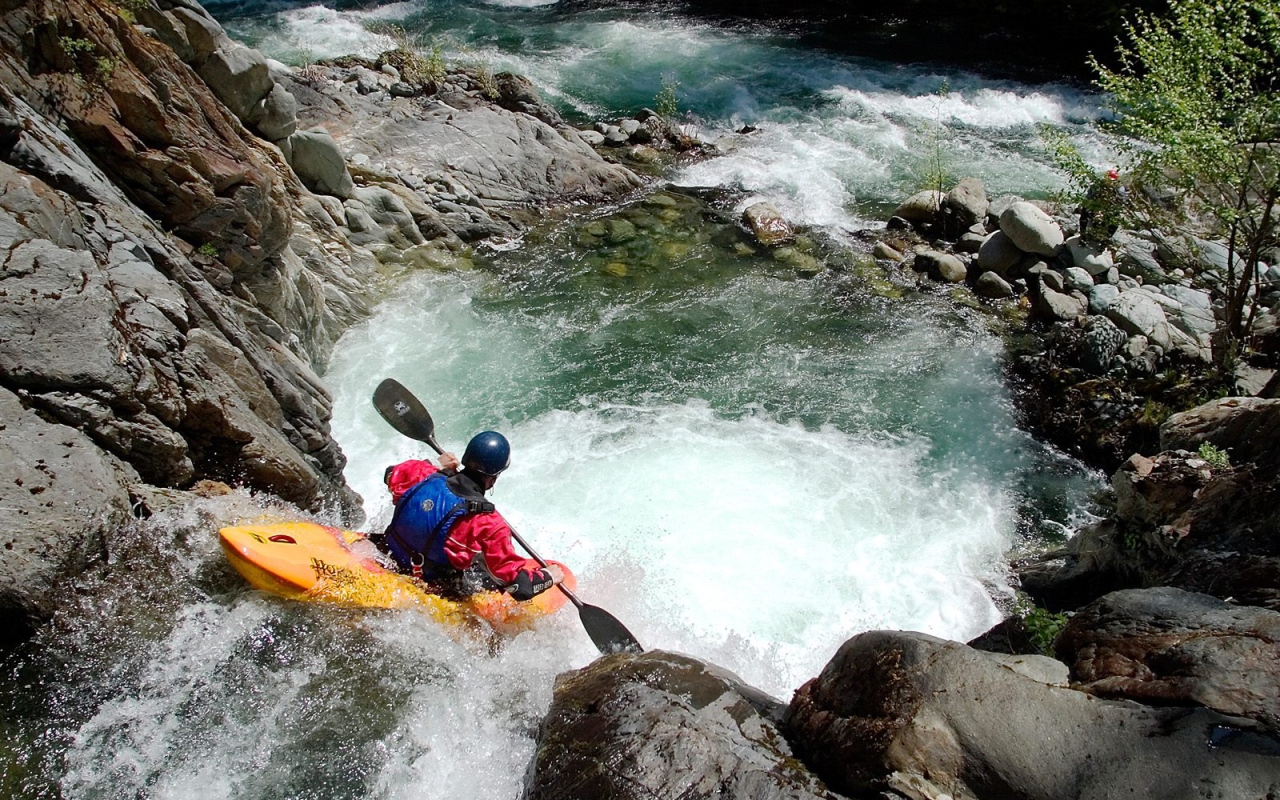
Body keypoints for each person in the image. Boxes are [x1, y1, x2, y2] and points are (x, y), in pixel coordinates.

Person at [376, 430, 564, 601]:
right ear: (493, 478)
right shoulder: (489, 523)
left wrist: (439, 466)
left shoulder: (422, 474)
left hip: (386, 555)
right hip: (427, 584)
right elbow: (519, 588)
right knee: (483, 572)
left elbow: (390, 473)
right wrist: (548, 577)